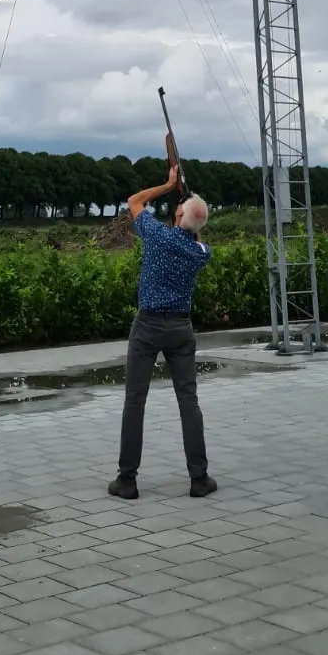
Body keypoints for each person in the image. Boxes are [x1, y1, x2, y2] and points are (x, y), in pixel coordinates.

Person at [108, 158, 217, 500]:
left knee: (135, 401)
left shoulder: (155, 236)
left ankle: (127, 480)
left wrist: (169, 187)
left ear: (178, 217)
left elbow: (135, 202)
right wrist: (190, 208)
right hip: (181, 329)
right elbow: (197, 235)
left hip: (147, 325)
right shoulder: (201, 252)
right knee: (189, 401)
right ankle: (199, 478)